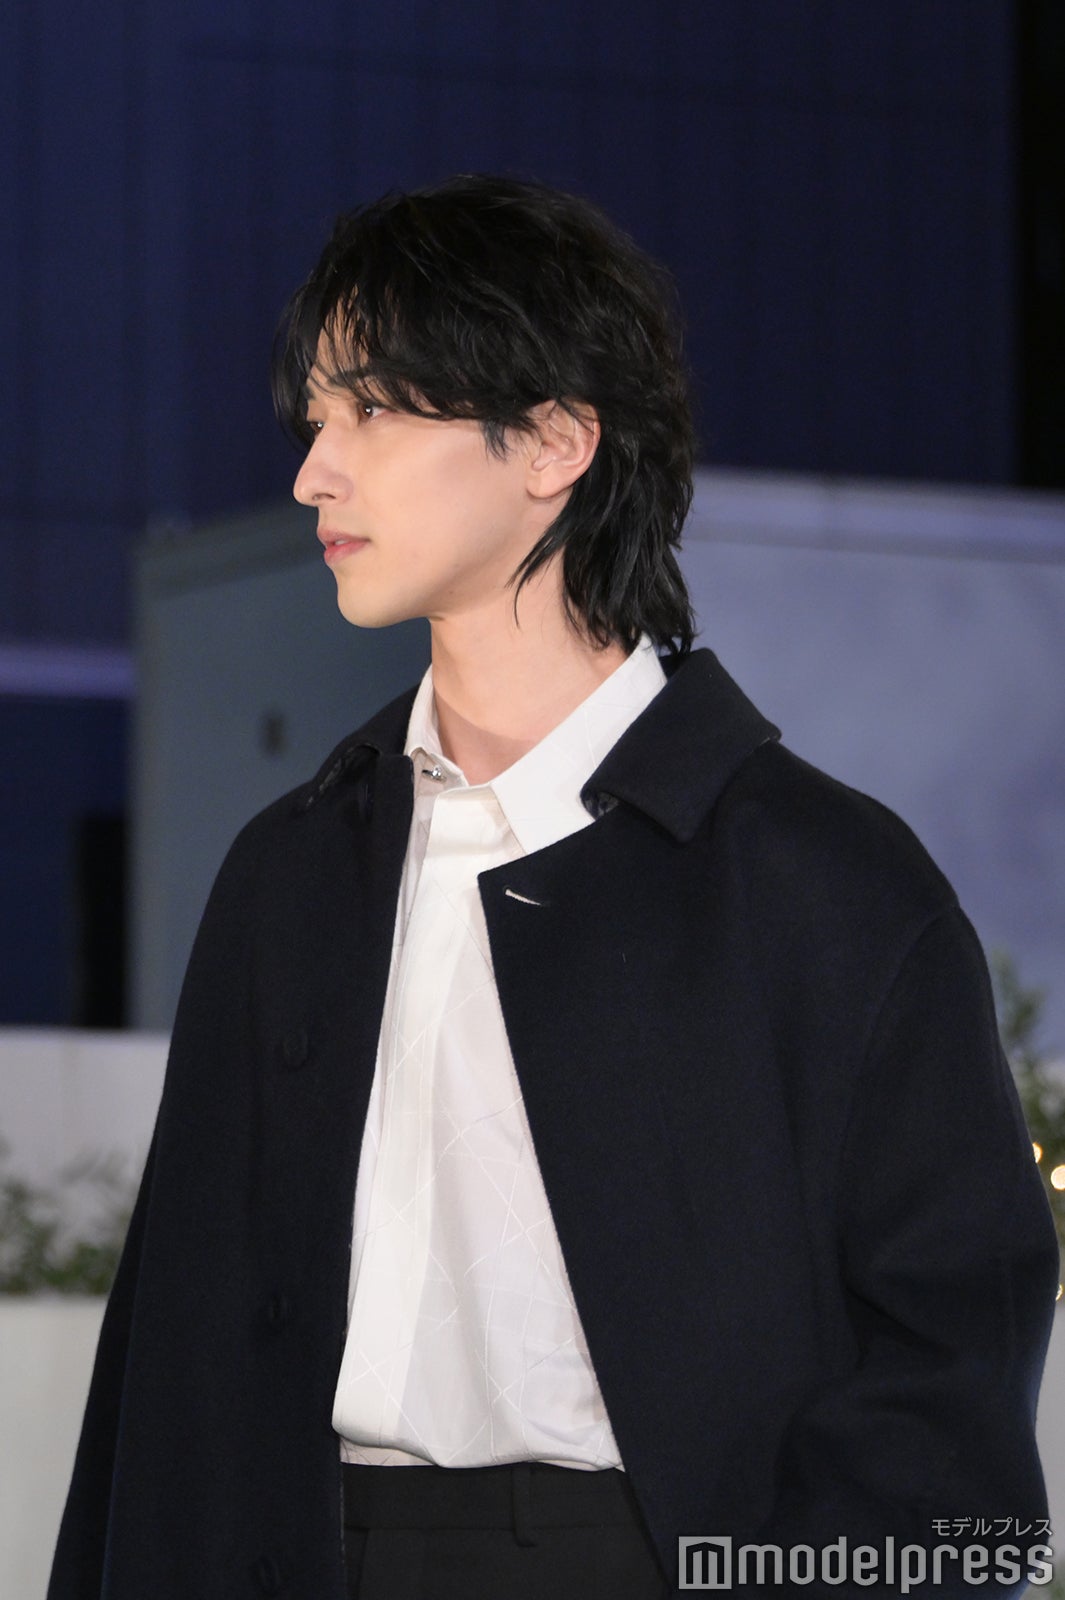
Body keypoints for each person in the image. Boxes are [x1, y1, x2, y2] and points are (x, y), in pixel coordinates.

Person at [49, 176, 1058, 1600]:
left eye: (372, 410)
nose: (315, 472)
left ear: (554, 442)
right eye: (315, 420)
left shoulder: (821, 884)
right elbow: (166, 1367)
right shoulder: (293, 869)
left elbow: (946, 1376)